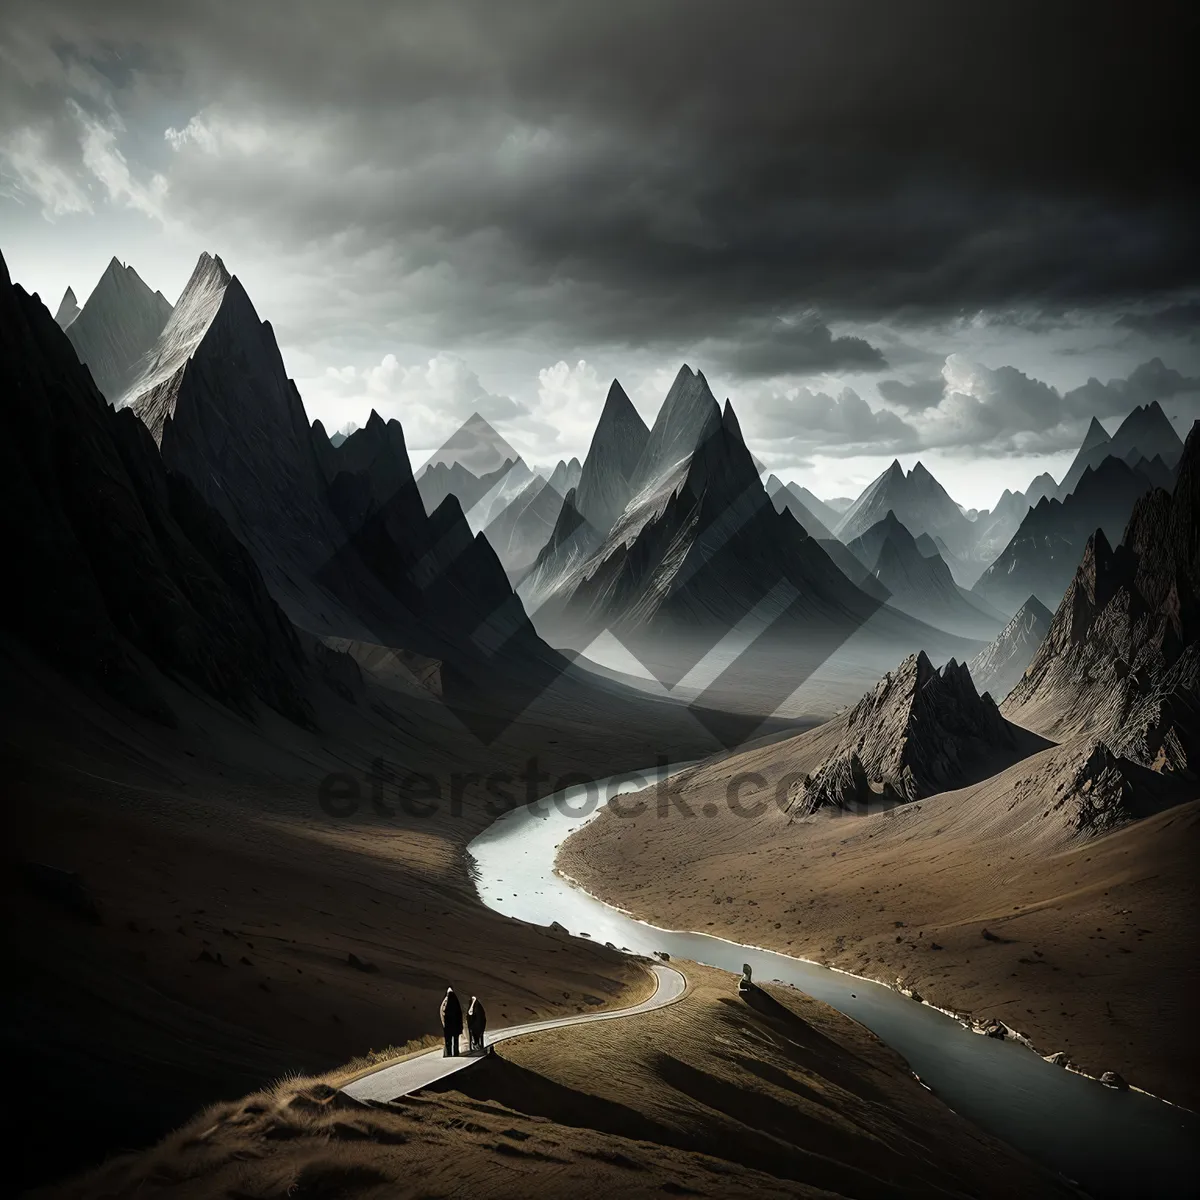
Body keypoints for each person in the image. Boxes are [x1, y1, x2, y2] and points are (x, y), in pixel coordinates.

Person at [440, 986, 463, 1057]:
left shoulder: (445, 1002)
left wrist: (444, 1023)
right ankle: (456, 1053)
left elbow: (442, 1012)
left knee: (448, 1041)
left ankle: (449, 1053)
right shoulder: (456, 1002)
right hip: (455, 1025)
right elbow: (459, 1015)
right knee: (455, 1040)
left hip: (448, 1026)